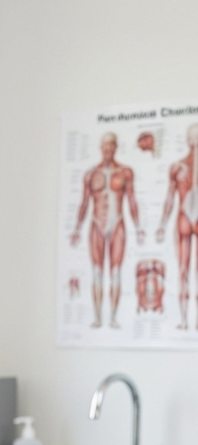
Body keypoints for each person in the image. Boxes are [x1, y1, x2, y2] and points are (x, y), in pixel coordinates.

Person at [70, 132, 144, 329]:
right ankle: (97, 317)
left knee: (116, 271)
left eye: (111, 146)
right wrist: (77, 228)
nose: (108, 150)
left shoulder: (125, 172)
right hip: (96, 224)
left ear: (116, 147)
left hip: (118, 223)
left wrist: (138, 228)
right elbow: (84, 203)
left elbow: (131, 200)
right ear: (100, 148)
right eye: (105, 146)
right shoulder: (91, 174)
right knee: (96, 271)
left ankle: (112, 317)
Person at [155, 123, 198, 329]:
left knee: (185, 270)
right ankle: (186, 320)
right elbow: (169, 199)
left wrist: (163, 224)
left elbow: (170, 199)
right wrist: (162, 224)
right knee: (187, 269)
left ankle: (185, 320)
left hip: (184, 215)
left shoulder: (178, 167)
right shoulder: (177, 168)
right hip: (185, 216)